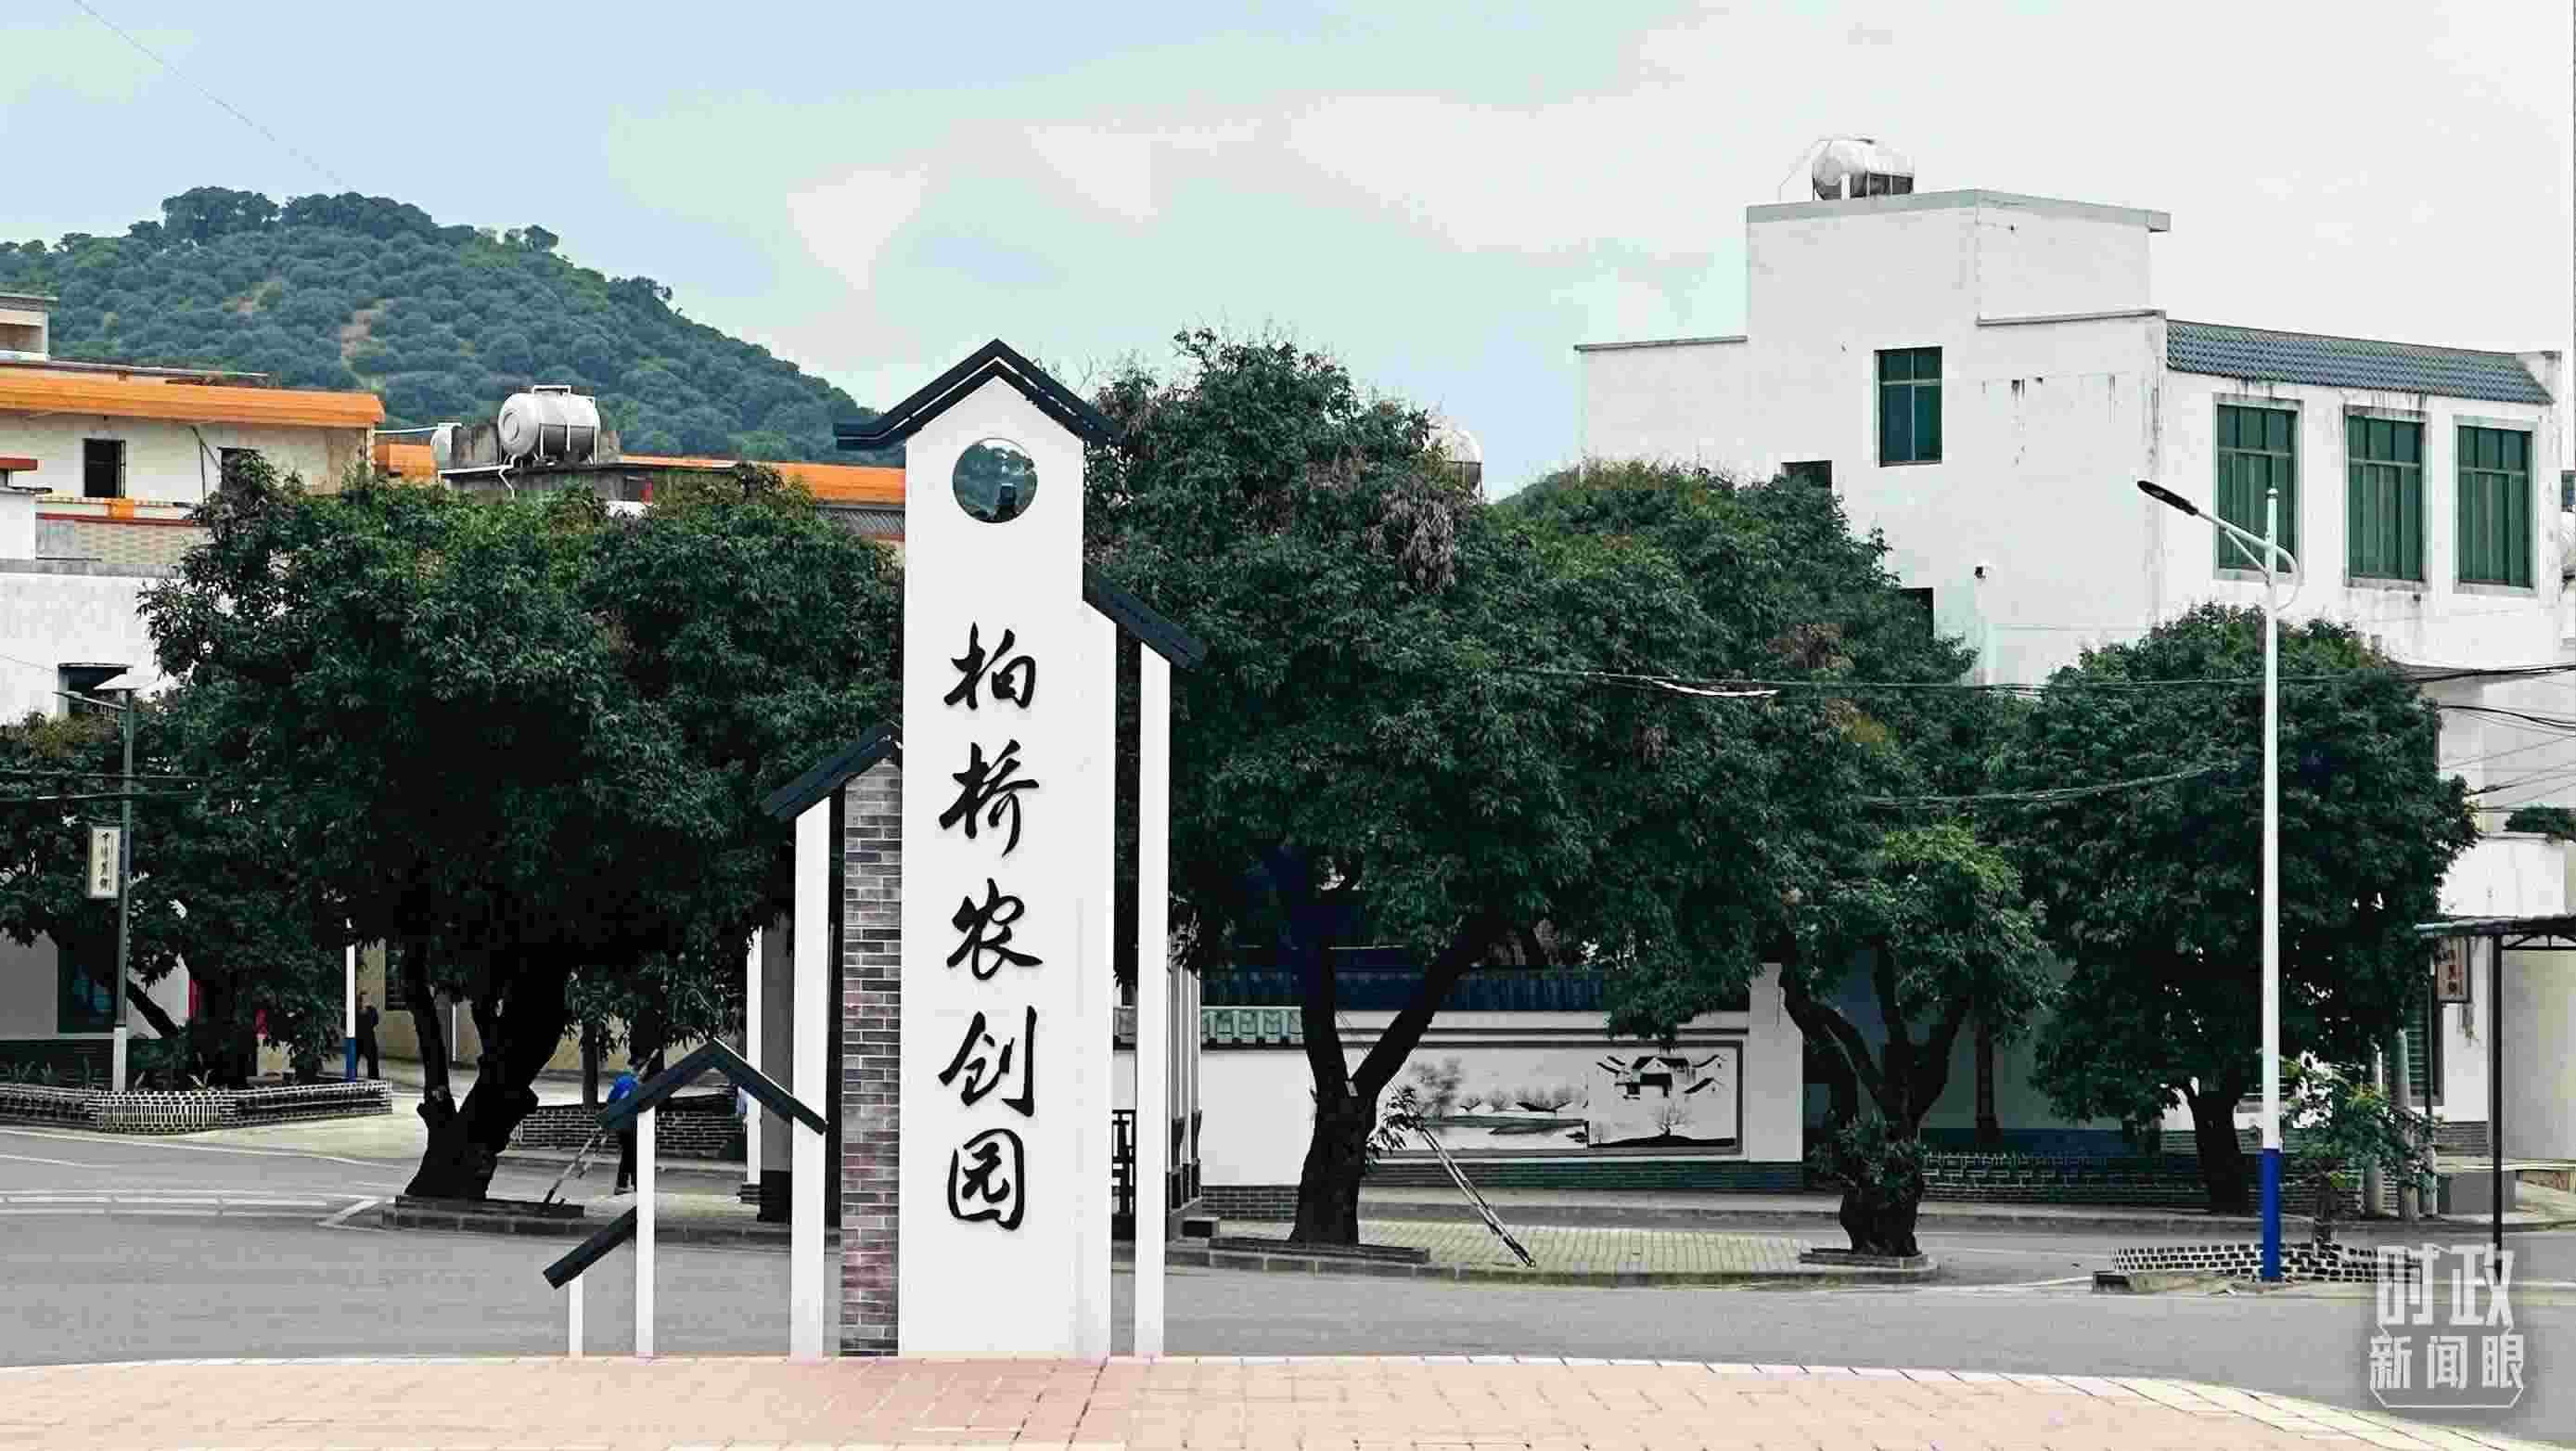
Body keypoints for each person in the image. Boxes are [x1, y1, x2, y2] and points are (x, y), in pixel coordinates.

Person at [607, 1065, 641, 1195]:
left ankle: (625, 1183)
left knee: (629, 1154)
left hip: (622, 1125)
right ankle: (630, 1183)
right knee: (632, 1154)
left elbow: (610, 1101)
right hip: (632, 1124)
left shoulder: (622, 1081)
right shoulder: (636, 1084)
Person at [354, 995, 380, 1081]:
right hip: (356, 1039)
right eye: (360, 1000)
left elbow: (375, 1021)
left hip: (369, 1038)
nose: (362, 1002)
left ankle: (374, 1080)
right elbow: (344, 1024)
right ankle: (352, 1079)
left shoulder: (372, 1011)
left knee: (373, 1061)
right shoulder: (352, 1011)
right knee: (353, 1061)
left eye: (364, 1000)